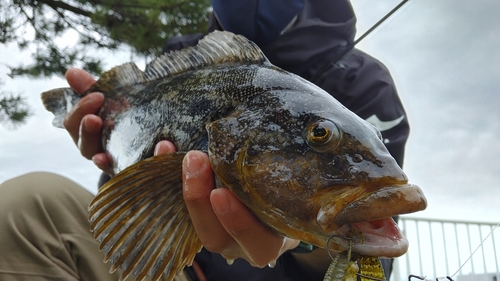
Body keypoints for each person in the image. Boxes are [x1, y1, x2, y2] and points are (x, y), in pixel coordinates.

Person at [0, 0, 409, 280]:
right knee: (27, 203)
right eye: (320, 134)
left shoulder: (364, 86)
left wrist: (303, 243)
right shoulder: (184, 54)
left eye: (320, 135)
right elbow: (129, 207)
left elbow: (372, 267)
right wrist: (111, 158)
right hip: (174, 270)